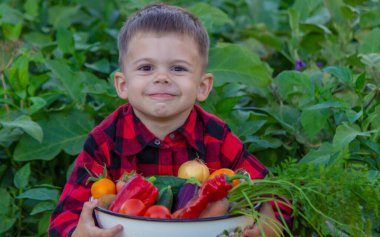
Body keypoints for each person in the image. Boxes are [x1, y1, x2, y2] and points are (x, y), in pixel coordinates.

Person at [48, 3, 291, 237]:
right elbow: (63, 217)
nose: (162, 77)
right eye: (145, 68)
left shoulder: (216, 136)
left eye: (178, 69)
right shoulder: (105, 141)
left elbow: (270, 192)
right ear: (123, 85)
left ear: (202, 86)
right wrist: (78, 232)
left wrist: (270, 219)